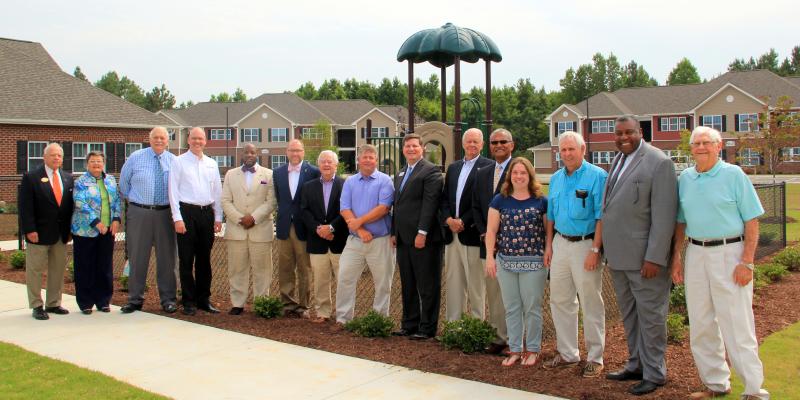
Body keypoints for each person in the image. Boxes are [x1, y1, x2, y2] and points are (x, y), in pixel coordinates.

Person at [671, 126, 769, 400]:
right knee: (701, 323)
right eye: (696, 143)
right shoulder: (686, 179)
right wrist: (676, 256)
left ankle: (754, 390)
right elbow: (681, 221)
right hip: (697, 252)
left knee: (737, 323)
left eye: (706, 142)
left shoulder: (733, 175)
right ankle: (716, 384)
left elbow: (751, 220)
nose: (700, 147)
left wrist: (747, 262)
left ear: (718, 146)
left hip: (730, 252)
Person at [601, 115, 677, 396]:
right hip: (619, 257)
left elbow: (664, 216)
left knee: (651, 317)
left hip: (645, 260)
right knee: (630, 316)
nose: (623, 137)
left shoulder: (659, 162)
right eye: (618, 133)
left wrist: (654, 258)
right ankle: (636, 363)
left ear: (640, 132)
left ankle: (655, 373)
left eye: (629, 132)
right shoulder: (618, 160)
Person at [542, 131, 608, 377]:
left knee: (590, 301)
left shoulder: (597, 176)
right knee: (560, 300)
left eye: (572, 149)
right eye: (564, 149)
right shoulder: (557, 178)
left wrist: (595, 249)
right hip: (560, 242)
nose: (567, 153)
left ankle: (595, 357)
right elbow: (550, 216)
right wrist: (549, 246)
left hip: (585, 244)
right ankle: (568, 353)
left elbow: (601, 215)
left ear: (583, 150)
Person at [484, 157, 548, 367]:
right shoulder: (499, 200)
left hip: (534, 263)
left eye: (523, 173)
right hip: (506, 262)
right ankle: (515, 349)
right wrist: (490, 258)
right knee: (511, 307)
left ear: (530, 175)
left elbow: (548, 232)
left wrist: (548, 251)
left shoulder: (541, 201)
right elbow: (492, 231)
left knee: (532, 308)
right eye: (515, 173)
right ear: (509, 176)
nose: (519, 176)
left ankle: (533, 349)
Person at [119, 127, 179, 314]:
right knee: (137, 257)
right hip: (140, 213)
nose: (159, 140)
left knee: (168, 259)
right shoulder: (136, 157)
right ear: (149, 139)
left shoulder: (174, 161)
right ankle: (135, 299)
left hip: (165, 214)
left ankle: (168, 299)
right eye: (156, 137)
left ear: (167, 141)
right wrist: (137, 203)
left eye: (163, 138)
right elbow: (123, 185)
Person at [391, 134, 444, 340]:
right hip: (403, 239)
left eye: (414, 146)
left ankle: (427, 328)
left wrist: (422, 232)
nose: (411, 149)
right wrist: (394, 232)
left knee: (427, 285)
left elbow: (430, 205)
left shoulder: (430, 171)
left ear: (422, 148)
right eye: (407, 146)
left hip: (424, 239)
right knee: (408, 283)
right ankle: (409, 324)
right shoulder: (401, 173)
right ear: (403, 149)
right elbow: (398, 205)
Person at [336, 144, 394, 324]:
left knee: (383, 284)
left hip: (380, 241)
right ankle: (343, 319)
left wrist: (359, 222)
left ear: (376, 160)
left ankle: (378, 321)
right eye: (364, 157)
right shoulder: (350, 182)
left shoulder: (385, 181)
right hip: (354, 241)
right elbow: (344, 208)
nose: (368, 160)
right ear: (358, 160)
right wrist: (360, 230)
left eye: (371, 157)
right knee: (345, 278)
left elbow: (383, 208)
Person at [168, 127, 223, 316]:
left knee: (204, 260)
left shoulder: (211, 164)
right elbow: (173, 191)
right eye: (194, 138)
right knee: (186, 260)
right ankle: (188, 301)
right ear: (188, 140)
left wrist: (218, 217)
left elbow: (217, 191)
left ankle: (203, 299)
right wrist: (177, 218)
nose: (197, 142)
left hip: (206, 214)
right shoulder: (178, 162)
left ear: (205, 141)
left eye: (201, 139)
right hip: (186, 213)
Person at [440, 128, 493, 322]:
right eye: (468, 141)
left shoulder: (489, 167)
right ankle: (454, 327)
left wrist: (463, 221)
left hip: (471, 234)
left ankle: (477, 326)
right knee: (454, 283)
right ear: (463, 144)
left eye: (475, 142)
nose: (472, 145)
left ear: (482, 145)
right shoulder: (453, 168)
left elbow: (483, 201)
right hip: (451, 235)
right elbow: (444, 198)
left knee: (476, 286)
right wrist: (448, 220)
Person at [19, 142, 74, 320]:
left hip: (60, 233)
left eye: (59, 155)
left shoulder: (67, 178)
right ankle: (36, 305)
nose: (56, 158)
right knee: (35, 270)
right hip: (39, 233)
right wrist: (29, 229)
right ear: (44, 157)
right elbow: (25, 207)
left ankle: (53, 303)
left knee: (57, 270)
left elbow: (69, 207)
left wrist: (70, 229)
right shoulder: (32, 177)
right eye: (52, 155)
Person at [221, 143, 277, 316]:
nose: (249, 154)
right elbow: (225, 201)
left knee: (263, 269)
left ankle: (261, 303)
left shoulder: (268, 174)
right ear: (241, 154)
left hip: (260, 229)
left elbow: (271, 202)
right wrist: (240, 219)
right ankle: (238, 303)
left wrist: (253, 218)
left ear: (257, 153)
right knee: (237, 269)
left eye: (252, 152)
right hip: (236, 230)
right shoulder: (230, 174)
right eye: (246, 152)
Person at [472, 128, 513, 354]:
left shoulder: (519, 169)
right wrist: (484, 234)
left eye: (503, 142)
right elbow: (476, 206)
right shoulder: (483, 172)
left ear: (511, 145)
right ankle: (499, 337)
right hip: (487, 244)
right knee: (494, 292)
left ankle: (515, 339)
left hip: (512, 242)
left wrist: (501, 236)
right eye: (494, 142)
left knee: (513, 293)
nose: (498, 145)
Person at [273, 139, 320, 317]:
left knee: (304, 267)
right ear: (287, 152)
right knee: (285, 267)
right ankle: (287, 303)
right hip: (284, 225)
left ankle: (304, 305)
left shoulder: (313, 172)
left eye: (298, 150)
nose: (295, 154)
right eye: (292, 150)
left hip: (303, 226)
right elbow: (279, 198)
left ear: (303, 152)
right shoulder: (277, 173)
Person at [70, 151, 121, 314]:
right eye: (93, 161)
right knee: (85, 266)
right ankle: (85, 302)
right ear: (87, 164)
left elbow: (117, 201)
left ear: (104, 163)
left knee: (104, 266)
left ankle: (103, 300)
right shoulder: (81, 181)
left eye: (99, 161)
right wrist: (96, 222)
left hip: (107, 230)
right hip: (85, 231)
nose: (96, 164)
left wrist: (116, 219)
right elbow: (80, 203)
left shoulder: (111, 180)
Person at [300, 150, 348, 323]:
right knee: (320, 280)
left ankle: (343, 315)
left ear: (336, 165)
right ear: (318, 165)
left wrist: (332, 228)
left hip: (339, 241)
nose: (326, 165)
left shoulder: (345, 185)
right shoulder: (308, 187)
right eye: (323, 162)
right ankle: (323, 313)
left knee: (344, 280)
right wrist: (319, 229)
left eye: (330, 162)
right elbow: (304, 211)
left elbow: (347, 210)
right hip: (317, 241)